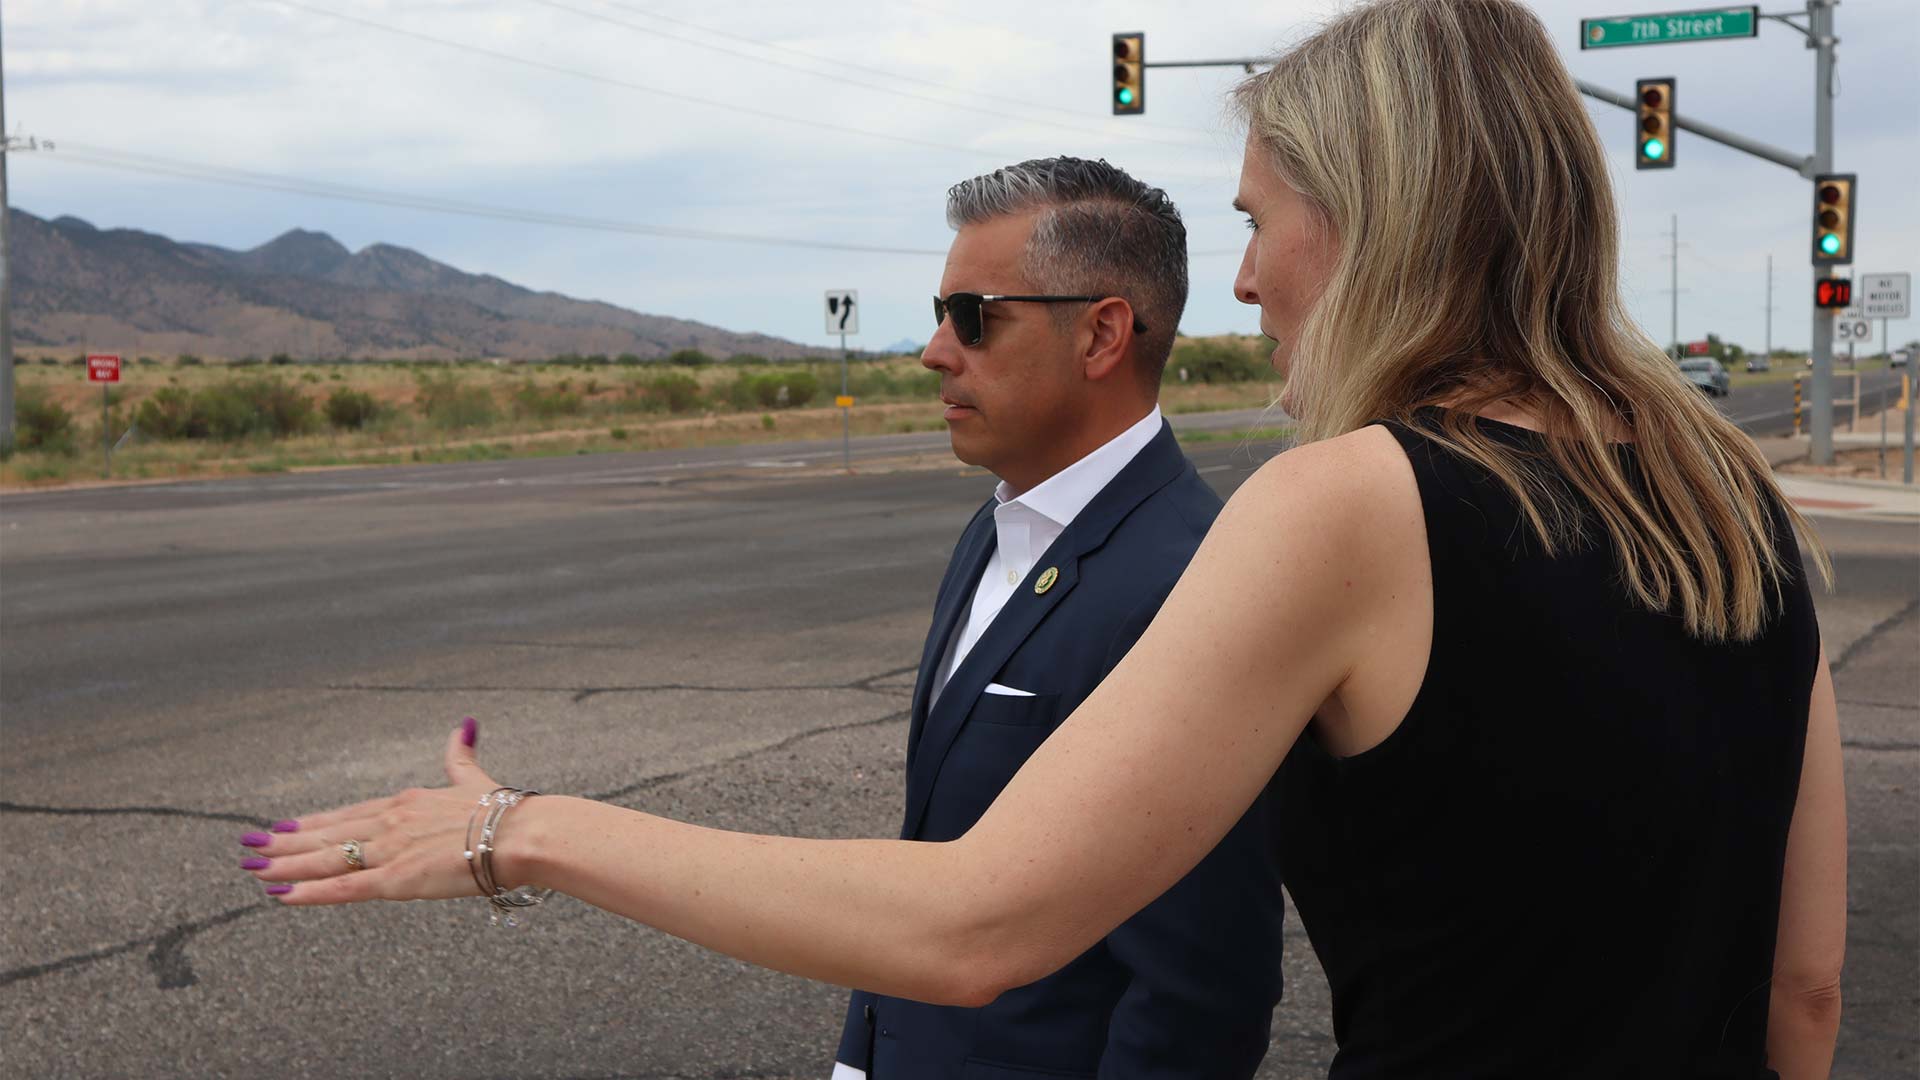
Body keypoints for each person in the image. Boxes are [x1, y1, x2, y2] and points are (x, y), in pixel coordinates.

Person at [240, 1, 1846, 1076]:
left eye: (1255, 221)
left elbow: (979, 922)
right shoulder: (1733, 499)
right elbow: (1801, 993)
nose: (1246, 281)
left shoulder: (1354, 499)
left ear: (1376, 222)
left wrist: (523, 829)